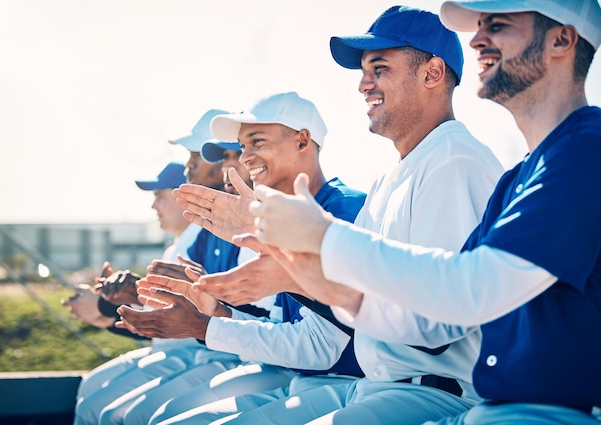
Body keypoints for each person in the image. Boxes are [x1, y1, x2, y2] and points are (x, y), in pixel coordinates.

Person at [248, 1, 601, 424]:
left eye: (499, 24)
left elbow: (468, 289)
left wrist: (322, 238)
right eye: (480, 26)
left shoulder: (585, 150)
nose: (477, 39)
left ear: (562, 38)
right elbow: (446, 307)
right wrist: (308, 271)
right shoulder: (520, 175)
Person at [174, 6, 506, 424]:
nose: (364, 84)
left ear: (433, 73)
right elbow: (353, 311)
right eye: (364, 72)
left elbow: (434, 327)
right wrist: (284, 263)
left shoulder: (453, 161)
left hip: (436, 395)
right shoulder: (394, 175)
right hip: (381, 387)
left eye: (379, 67)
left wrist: (291, 271)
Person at [115, 92, 367, 425]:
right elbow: (279, 325)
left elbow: (322, 348)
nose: (243, 157)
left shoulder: (342, 210)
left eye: (256, 142)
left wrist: (206, 326)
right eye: (241, 147)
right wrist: (215, 310)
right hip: (301, 376)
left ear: (302, 141)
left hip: (347, 383)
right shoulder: (275, 218)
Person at [74, 109, 246, 425]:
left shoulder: (219, 231)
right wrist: (117, 306)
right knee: (95, 394)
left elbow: (209, 314)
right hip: (211, 349)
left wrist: (110, 307)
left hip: (224, 355)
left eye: (202, 155)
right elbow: (188, 312)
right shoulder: (200, 238)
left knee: (134, 414)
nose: (188, 166)